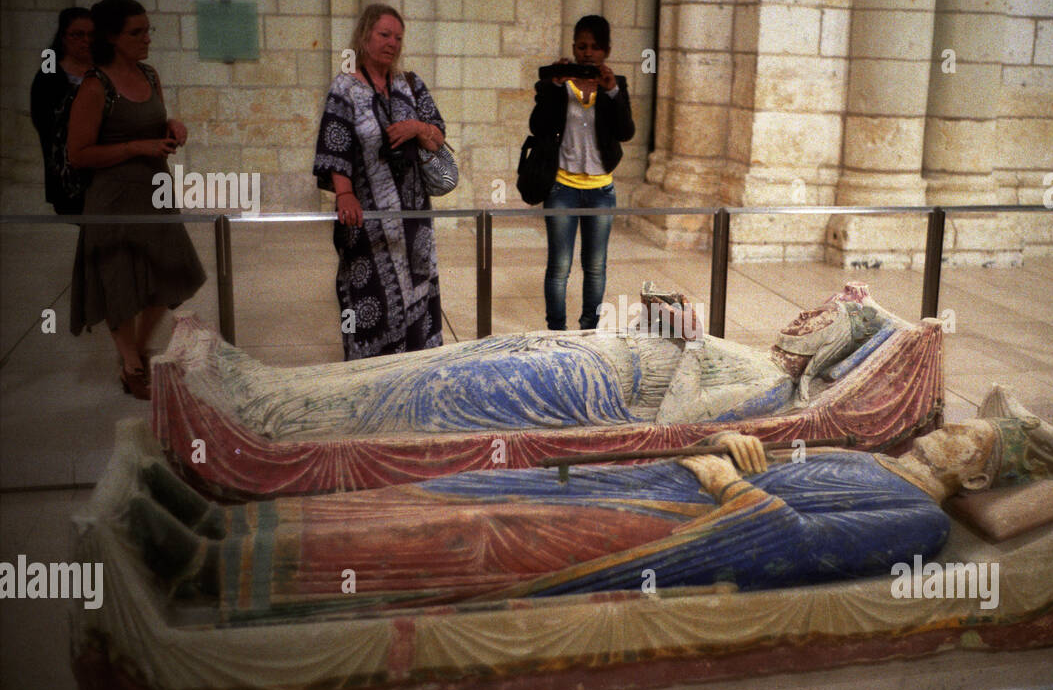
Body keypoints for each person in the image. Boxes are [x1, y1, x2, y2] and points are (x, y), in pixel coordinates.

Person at [126, 417, 1039, 618]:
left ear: (974, 474)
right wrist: (727, 443)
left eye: (973, 441)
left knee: (476, 539)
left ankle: (211, 573)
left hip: (676, 536)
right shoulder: (870, 460)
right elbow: (768, 461)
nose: (954, 432)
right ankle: (230, 526)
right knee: (463, 492)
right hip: (668, 487)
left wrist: (722, 484)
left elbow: (792, 547)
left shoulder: (915, 521)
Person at [173, 283, 899, 439]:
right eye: (812, 309)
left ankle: (270, 417)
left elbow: (677, 429)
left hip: (585, 389)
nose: (802, 316)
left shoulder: (774, 385)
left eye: (820, 322)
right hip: (580, 350)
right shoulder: (757, 354)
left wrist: (685, 346)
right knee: (446, 357)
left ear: (825, 352)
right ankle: (269, 384)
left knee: (436, 387)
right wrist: (669, 324)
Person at [66, 0, 206, 400]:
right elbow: (78, 154)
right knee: (118, 279)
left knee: (171, 270)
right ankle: (130, 364)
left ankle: (141, 348)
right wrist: (134, 148)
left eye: (148, 30)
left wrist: (172, 125)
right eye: (136, 32)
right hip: (113, 198)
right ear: (112, 36)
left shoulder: (149, 74)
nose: (146, 38)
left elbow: (153, 119)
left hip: (154, 191)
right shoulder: (96, 86)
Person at [313, 3, 458, 360]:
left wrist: (417, 128)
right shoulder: (344, 89)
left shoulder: (411, 84)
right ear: (364, 36)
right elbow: (336, 145)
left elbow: (438, 136)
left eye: (398, 37)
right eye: (384, 34)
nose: (392, 43)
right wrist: (344, 193)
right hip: (367, 219)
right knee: (367, 298)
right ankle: (367, 374)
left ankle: (416, 373)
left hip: (414, 218)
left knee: (419, 293)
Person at [530, 15, 635, 330]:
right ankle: (555, 330)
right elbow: (537, 127)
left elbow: (626, 132)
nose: (588, 53)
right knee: (559, 267)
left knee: (595, 266)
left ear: (606, 50)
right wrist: (553, 89)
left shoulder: (616, 85)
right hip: (562, 187)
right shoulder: (557, 84)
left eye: (595, 47)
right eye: (582, 46)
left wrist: (613, 92)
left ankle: (589, 329)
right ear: (574, 47)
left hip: (601, 190)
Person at [30, 7, 95, 216]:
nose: (86, 40)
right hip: (71, 170)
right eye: (78, 35)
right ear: (64, 37)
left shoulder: (104, 71)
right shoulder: (50, 75)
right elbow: (46, 126)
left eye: (91, 35)